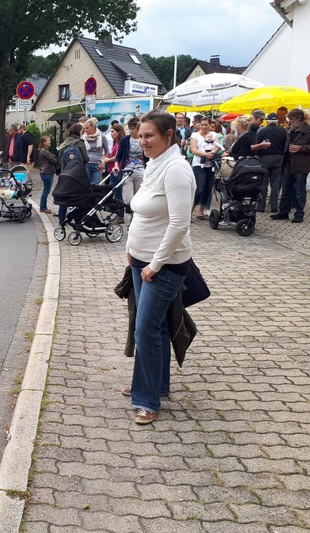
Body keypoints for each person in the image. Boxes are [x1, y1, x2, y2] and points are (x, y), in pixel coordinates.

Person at [124, 109, 196, 425]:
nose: (143, 142)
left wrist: (154, 263)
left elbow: (180, 223)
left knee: (145, 328)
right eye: (140, 136)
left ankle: (147, 399)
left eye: (149, 135)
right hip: (142, 261)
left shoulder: (177, 170)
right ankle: (156, 383)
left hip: (163, 266)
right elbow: (142, 212)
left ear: (168, 135)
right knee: (157, 326)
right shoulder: (155, 164)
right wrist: (131, 250)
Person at [271, 108, 310, 223]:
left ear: (298, 118)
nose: (290, 121)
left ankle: (299, 213)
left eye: (291, 119)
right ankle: (284, 211)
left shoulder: (308, 130)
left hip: (301, 164)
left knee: (299, 189)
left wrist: (301, 148)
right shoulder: (291, 129)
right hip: (288, 162)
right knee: (286, 188)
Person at [255, 112, 288, 212]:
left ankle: (261, 207)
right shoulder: (283, 131)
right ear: (277, 120)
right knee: (275, 184)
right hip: (278, 159)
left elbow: (257, 145)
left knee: (263, 184)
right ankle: (274, 207)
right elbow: (286, 145)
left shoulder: (262, 131)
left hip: (264, 159)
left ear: (267, 121)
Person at [189, 117, 221, 220]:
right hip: (199, 165)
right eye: (202, 125)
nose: (204, 127)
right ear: (199, 125)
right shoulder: (195, 135)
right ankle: (190, 211)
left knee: (208, 188)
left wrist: (212, 153)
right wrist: (204, 154)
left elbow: (218, 145)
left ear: (209, 125)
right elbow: (193, 150)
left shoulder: (214, 135)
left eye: (206, 125)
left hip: (210, 165)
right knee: (199, 188)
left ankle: (201, 211)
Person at [114, 116, 145, 207]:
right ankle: (130, 212)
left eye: (133, 129)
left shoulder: (143, 140)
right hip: (127, 171)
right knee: (128, 199)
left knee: (139, 199)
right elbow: (119, 155)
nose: (131, 131)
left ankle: (135, 219)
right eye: (129, 129)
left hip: (141, 171)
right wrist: (116, 166)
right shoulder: (125, 140)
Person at [102, 123, 126, 224]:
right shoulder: (116, 143)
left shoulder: (120, 143)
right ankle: (118, 214)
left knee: (118, 194)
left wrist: (107, 160)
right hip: (112, 170)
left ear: (119, 132)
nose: (111, 134)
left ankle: (120, 215)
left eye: (113, 132)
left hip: (117, 170)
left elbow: (117, 157)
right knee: (115, 193)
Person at [82, 118, 109, 184]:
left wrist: (103, 162)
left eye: (87, 128)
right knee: (87, 185)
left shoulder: (102, 137)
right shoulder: (83, 137)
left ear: (93, 127)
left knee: (96, 185)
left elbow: (107, 151)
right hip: (87, 164)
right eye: (84, 128)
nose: (85, 130)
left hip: (98, 164)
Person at [37, 135, 57, 214]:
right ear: (44, 142)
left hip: (45, 172)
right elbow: (53, 160)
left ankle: (43, 207)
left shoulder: (43, 150)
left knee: (46, 190)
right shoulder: (45, 151)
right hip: (47, 172)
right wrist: (56, 159)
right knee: (46, 190)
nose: (50, 142)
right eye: (48, 141)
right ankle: (43, 207)